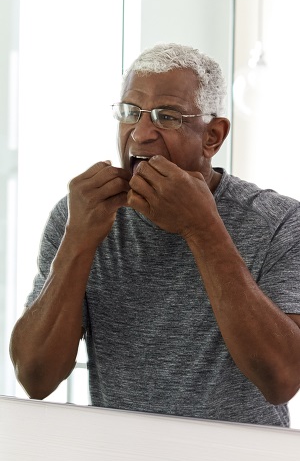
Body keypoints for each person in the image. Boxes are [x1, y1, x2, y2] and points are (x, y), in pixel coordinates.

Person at [9, 43, 300, 427]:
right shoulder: (78, 215)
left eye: (167, 116)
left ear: (212, 136)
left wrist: (203, 229)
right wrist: (78, 240)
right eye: (131, 112)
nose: (141, 133)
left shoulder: (279, 222)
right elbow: (35, 378)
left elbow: (282, 379)